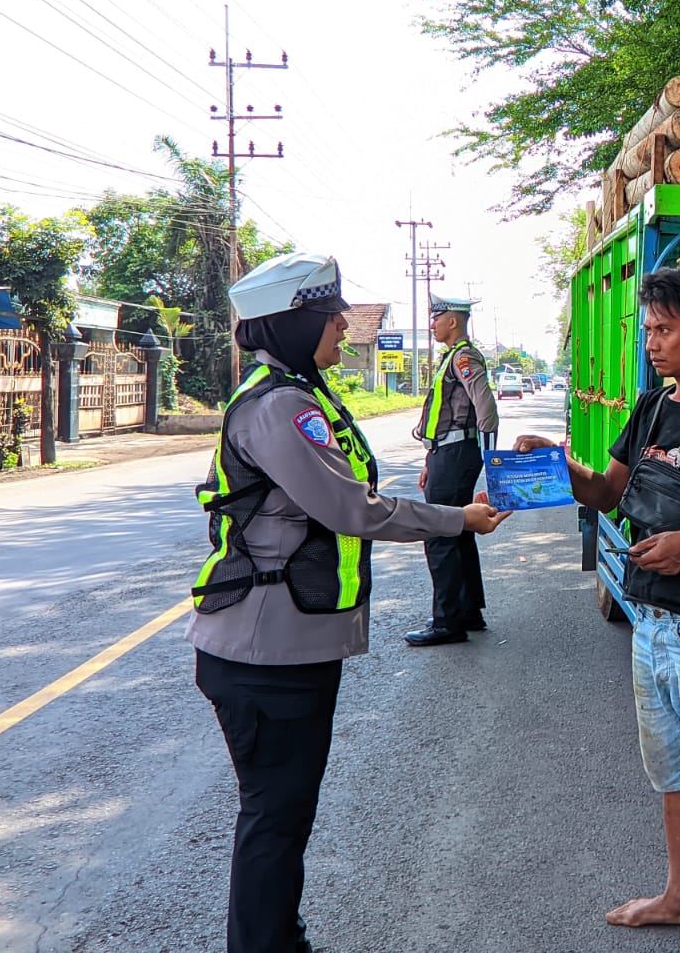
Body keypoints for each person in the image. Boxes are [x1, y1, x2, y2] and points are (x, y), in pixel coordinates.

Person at [189, 252, 508, 953]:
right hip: (266, 653)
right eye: (328, 315)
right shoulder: (280, 407)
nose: (341, 325)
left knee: (282, 815)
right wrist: (456, 518)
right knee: (275, 817)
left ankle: (278, 938)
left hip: (284, 646)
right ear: (295, 323)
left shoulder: (300, 394)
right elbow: (351, 509)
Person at [515, 268, 680, 953]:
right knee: (669, 775)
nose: (652, 342)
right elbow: (607, 493)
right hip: (650, 620)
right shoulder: (653, 409)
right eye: (649, 329)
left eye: (665, 329)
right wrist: (556, 463)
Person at [406, 295, 500, 646]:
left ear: (453, 321)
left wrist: (491, 458)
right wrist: (431, 460)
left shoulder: (463, 357)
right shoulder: (451, 357)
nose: (432, 324)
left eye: (436, 317)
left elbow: (485, 406)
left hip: (458, 452)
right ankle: (467, 612)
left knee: (440, 532)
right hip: (447, 453)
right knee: (459, 529)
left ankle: (447, 623)